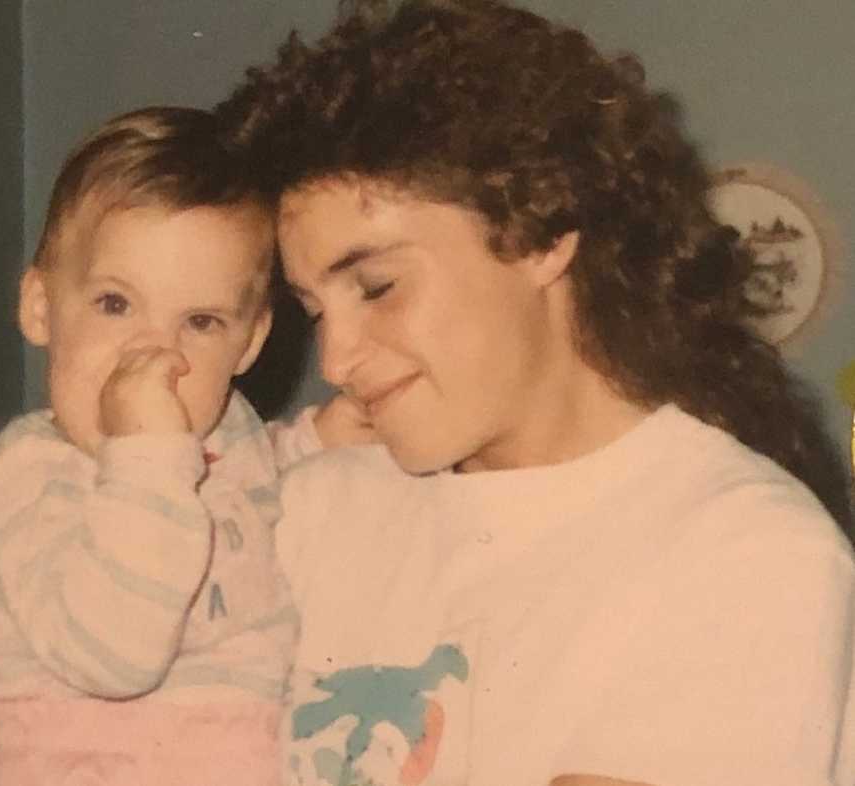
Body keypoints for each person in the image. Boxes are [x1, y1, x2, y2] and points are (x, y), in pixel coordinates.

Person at [216, 1, 855, 785]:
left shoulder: (747, 552)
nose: (337, 359)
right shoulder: (310, 510)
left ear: (543, 234)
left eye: (377, 288)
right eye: (315, 311)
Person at [0, 106, 368, 786]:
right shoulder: (31, 476)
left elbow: (250, 474)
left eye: (200, 322)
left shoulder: (225, 429)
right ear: (39, 307)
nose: (156, 353)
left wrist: (319, 438)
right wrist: (147, 453)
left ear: (251, 342)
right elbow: (113, 658)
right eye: (115, 304)